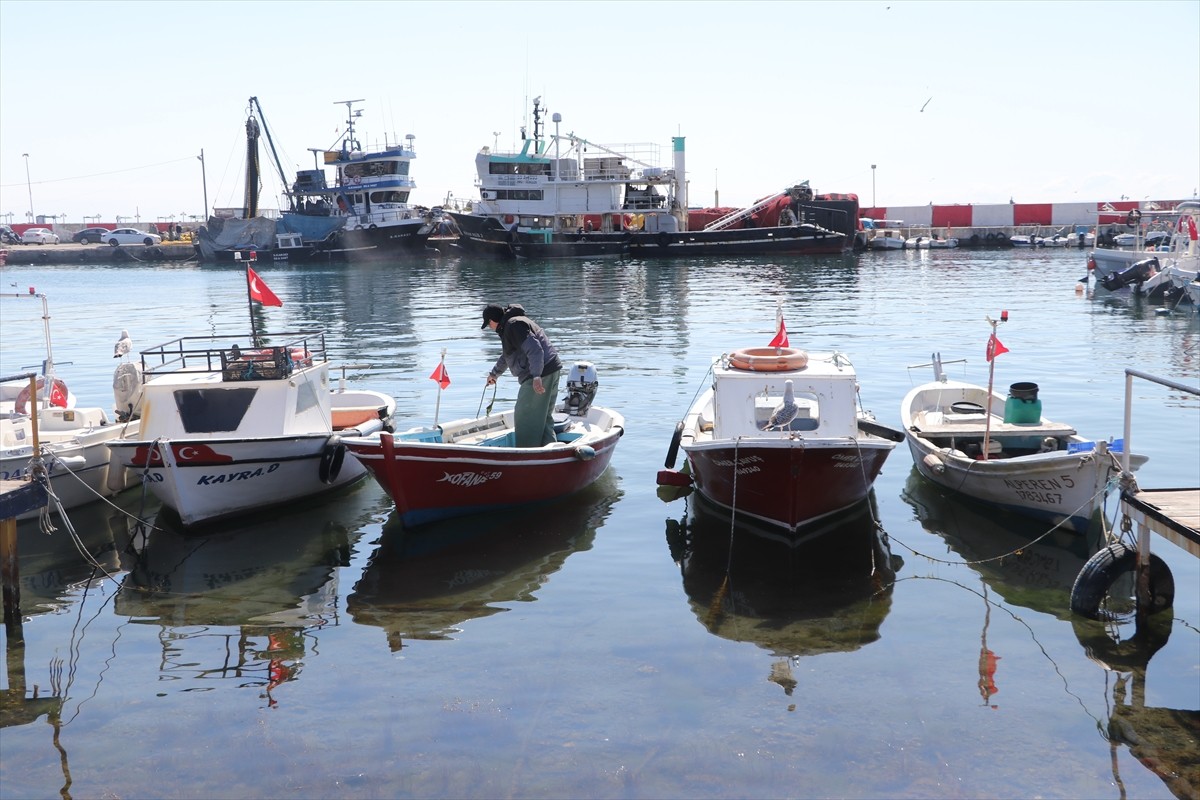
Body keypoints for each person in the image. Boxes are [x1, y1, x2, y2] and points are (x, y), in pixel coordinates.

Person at [481, 303, 562, 447]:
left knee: (525, 416)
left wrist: (537, 376)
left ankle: (526, 455)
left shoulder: (513, 325)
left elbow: (535, 350)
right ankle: (550, 452)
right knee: (543, 417)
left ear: (492, 321)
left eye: (488, 325)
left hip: (540, 373)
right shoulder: (512, 324)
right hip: (552, 368)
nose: (490, 328)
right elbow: (508, 355)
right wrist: (494, 374)